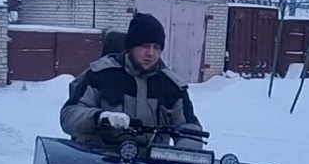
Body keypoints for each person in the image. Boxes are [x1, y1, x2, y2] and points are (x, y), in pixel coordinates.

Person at [60, 12, 204, 149]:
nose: (150, 53)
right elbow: (69, 116)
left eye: (156, 47)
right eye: (145, 46)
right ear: (130, 47)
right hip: (102, 159)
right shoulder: (102, 75)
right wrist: (99, 117)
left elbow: (190, 129)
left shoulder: (171, 86)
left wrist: (187, 150)